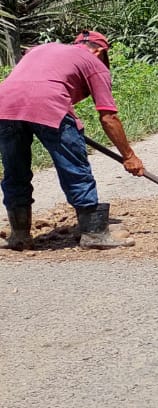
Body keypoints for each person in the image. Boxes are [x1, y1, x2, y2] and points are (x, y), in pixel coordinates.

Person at [0, 31, 144, 250]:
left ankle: (19, 235)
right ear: (100, 51)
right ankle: (94, 234)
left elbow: (31, 84)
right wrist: (129, 156)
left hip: (5, 104)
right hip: (48, 103)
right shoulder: (94, 62)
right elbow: (109, 117)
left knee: (15, 171)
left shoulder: (42, 49)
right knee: (75, 168)